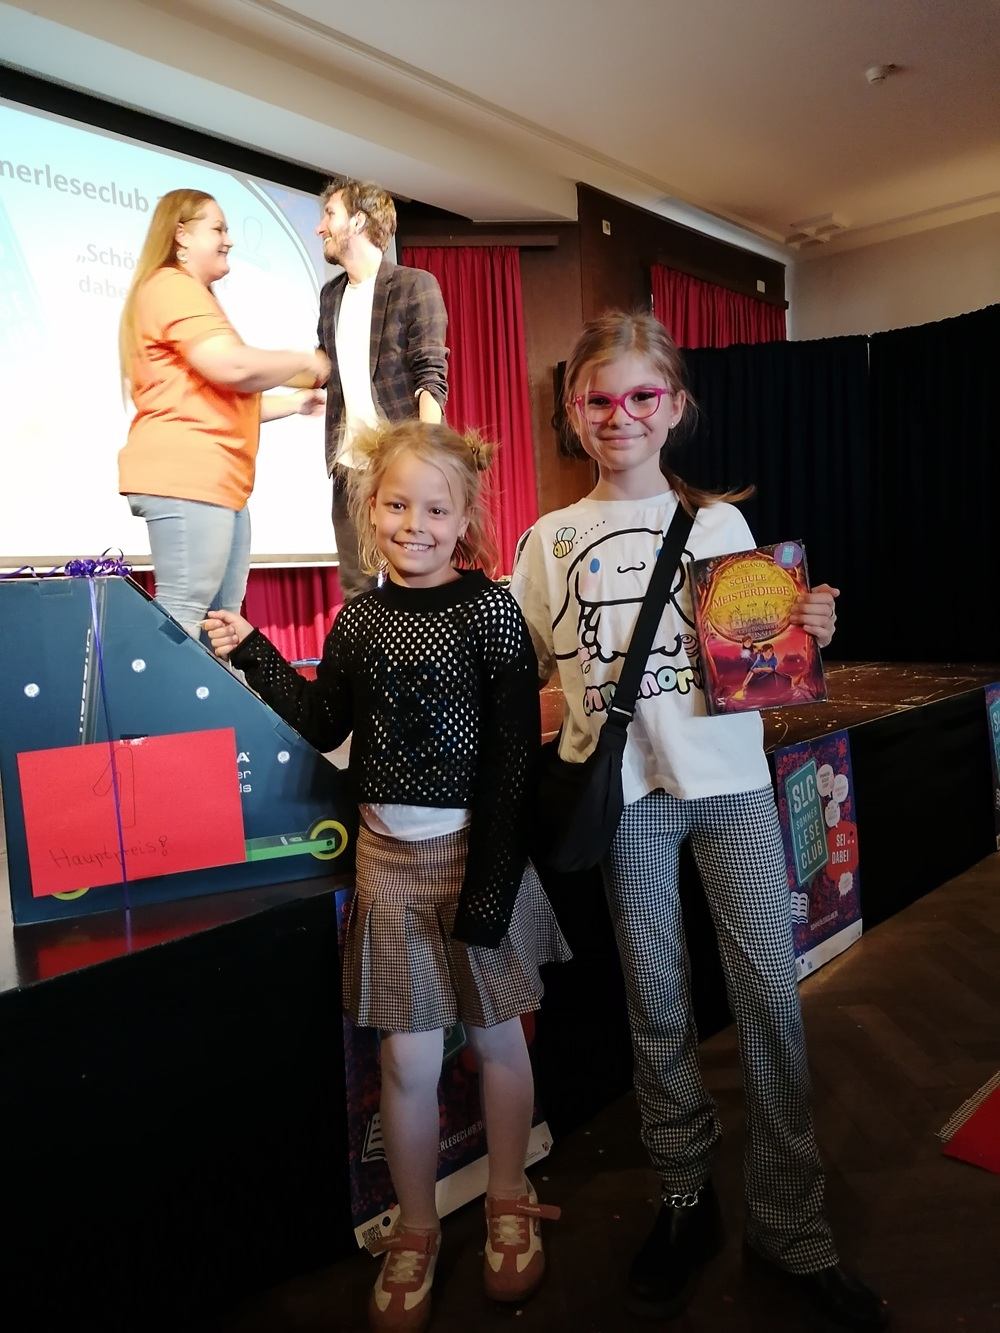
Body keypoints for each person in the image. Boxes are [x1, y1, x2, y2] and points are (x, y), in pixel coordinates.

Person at [510, 312, 889, 1330]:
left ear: (675, 405)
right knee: (657, 1005)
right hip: (625, 801)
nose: (621, 414)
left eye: (642, 395)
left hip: (730, 786)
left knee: (769, 998)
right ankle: (684, 1198)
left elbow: (761, 654)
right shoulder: (547, 541)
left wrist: (808, 626)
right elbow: (524, 669)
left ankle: (789, 1222)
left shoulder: (720, 528)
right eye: (599, 398)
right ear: (573, 411)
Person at [203, 419, 568, 1333]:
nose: (416, 524)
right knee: (407, 1057)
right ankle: (415, 1226)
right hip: (390, 868)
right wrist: (254, 649)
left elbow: (513, 759)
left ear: (464, 517)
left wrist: (491, 884)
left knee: (497, 1039)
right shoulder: (360, 618)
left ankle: (510, 1194)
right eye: (398, 505)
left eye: (436, 509)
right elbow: (327, 722)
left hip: (476, 856)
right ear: (372, 511)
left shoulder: (490, 614)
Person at [118, 188, 330, 640]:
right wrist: (304, 360)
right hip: (187, 475)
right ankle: (167, 691)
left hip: (217, 482)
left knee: (221, 624)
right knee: (185, 614)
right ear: (181, 235)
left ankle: (210, 691)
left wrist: (295, 403)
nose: (229, 240)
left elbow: (223, 398)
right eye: (218, 229)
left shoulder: (188, 293)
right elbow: (233, 367)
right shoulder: (172, 285)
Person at [315, 177, 449, 603]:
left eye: (329, 214)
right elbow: (322, 366)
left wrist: (427, 458)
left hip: (402, 461)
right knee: (357, 590)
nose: (320, 227)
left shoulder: (414, 285)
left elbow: (431, 376)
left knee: (415, 577)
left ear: (358, 222)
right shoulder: (331, 296)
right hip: (349, 467)